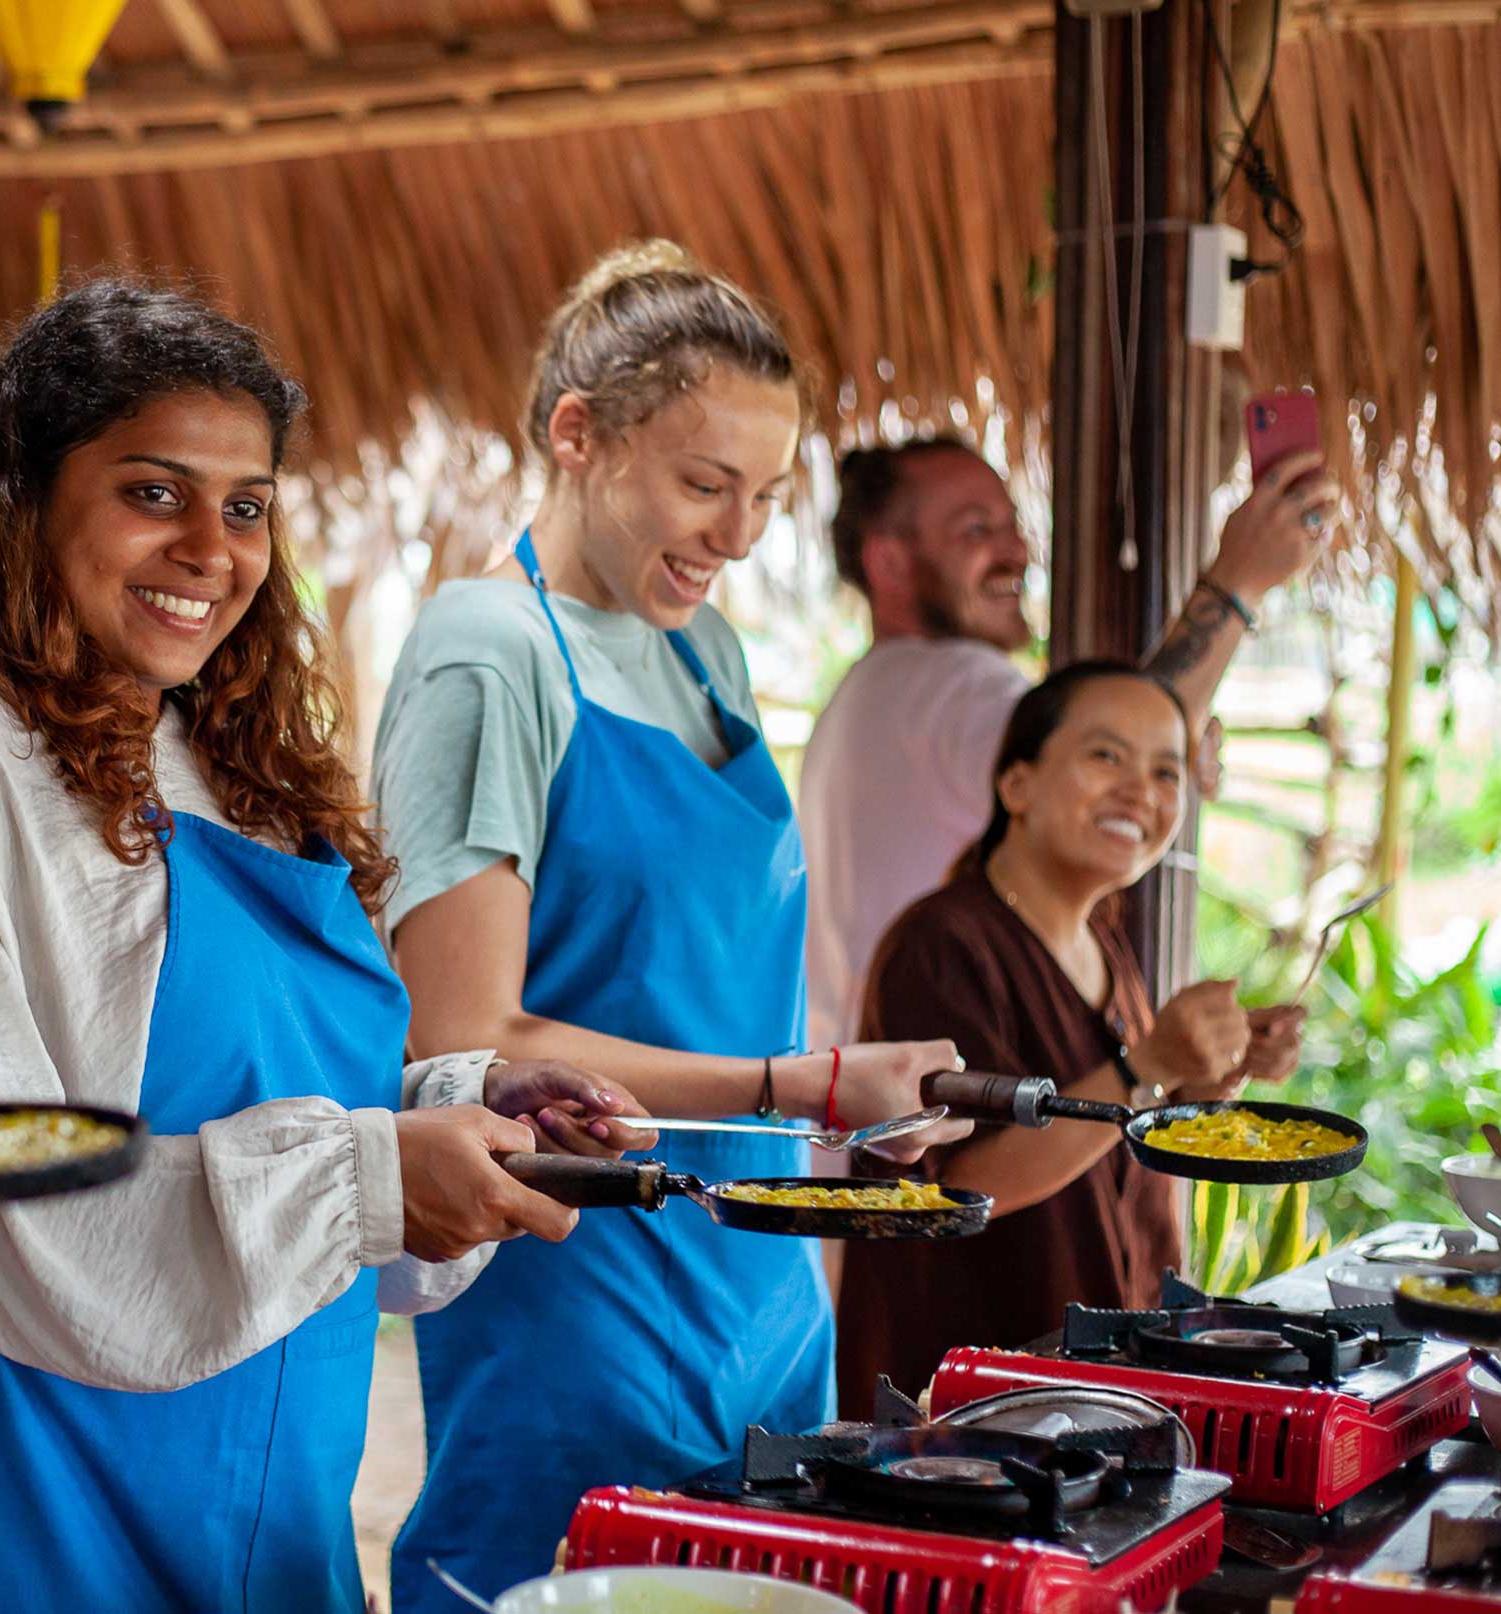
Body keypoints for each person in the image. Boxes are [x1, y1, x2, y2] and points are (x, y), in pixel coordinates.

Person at [0, 278, 633, 1614]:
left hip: (267, 1494)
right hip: (22, 1484)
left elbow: (297, 1127)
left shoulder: (229, 764)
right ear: (25, 496)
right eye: (152, 492)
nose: (210, 548)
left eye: (244, 507)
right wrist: (365, 1176)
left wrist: (459, 1113)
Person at [370, 241, 969, 1613]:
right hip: (583, 1292)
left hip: (759, 1285)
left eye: (765, 494)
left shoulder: (708, 649)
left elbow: (694, 967)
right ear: (579, 436)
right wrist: (804, 1086)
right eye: (706, 484)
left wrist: (839, 1085)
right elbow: (467, 1033)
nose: (741, 534)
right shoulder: (489, 651)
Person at [832, 663, 1304, 1414]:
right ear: (1016, 785)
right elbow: (967, 1186)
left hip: (1095, 1390)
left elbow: (1118, 1129)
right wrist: (1146, 1066)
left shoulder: (1102, 945)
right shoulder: (943, 945)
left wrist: (1213, 1074)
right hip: (963, 1408)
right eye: (1106, 756)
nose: (1141, 792)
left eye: (1166, 771)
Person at [800, 435, 1333, 1051]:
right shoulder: (950, 687)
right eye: (976, 531)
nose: (1016, 550)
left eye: (1012, 526)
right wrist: (1237, 581)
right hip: (929, 1124)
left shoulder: (873, 693)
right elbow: (1133, 731)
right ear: (888, 564)